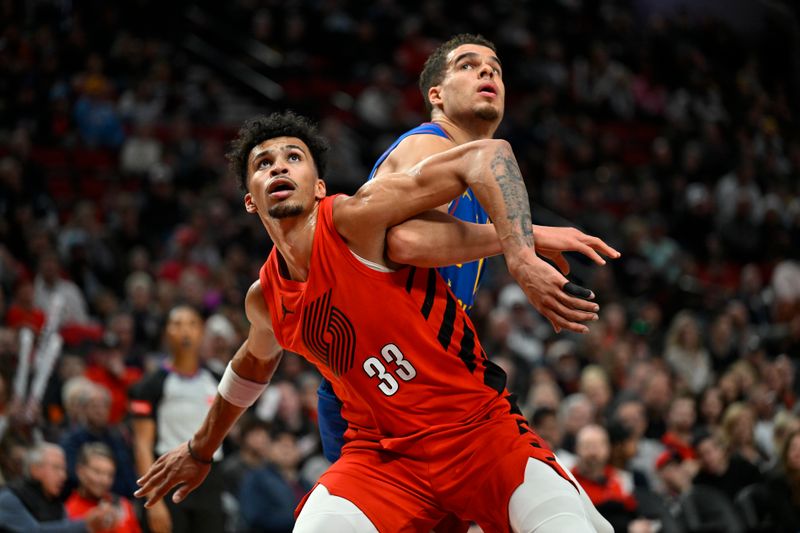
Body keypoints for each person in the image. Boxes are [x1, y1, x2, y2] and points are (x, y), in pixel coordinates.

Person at [134, 111, 611, 532]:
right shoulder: (265, 298)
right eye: (263, 163)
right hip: (384, 459)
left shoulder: (357, 220)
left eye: (293, 158)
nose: (278, 166)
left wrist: (520, 253)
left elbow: (488, 154)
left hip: (479, 434)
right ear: (250, 201)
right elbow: (254, 362)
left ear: (319, 186)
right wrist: (199, 450)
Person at [317, 33, 620, 466]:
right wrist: (524, 239)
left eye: (495, 69)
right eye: (468, 65)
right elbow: (406, 240)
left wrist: (523, 236)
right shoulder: (429, 142)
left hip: (414, 367)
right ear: (436, 95)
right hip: (381, 374)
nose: (486, 71)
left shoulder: (473, 172)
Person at [129, 306, 225, 533]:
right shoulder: (150, 385)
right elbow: (141, 444)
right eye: (177, 324)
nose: (185, 331)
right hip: (169, 477)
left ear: (202, 332)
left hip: (211, 478)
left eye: (192, 324)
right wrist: (152, 501)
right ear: (166, 333)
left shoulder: (218, 379)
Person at [0, 442, 115, 532]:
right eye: (56, 468)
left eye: (64, 470)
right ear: (35, 470)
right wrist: (86, 525)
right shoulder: (8, 498)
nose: (63, 476)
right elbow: (33, 531)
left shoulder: (57, 505)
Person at [65, 442, 141, 533]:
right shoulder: (67, 512)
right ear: (80, 471)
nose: (104, 480)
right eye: (97, 472)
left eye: (109, 474)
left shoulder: (124, 506)